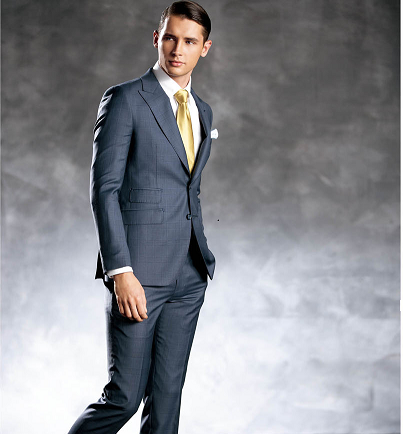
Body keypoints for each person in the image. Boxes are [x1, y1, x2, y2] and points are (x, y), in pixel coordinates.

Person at [67, 1, 216, 433]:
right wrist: (120, 271)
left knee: (167, 403)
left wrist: (200, 260)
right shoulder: (126, 99)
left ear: (204, 48)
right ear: (156, 38)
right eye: (170, 37)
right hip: (139, 272)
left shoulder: (203, 111)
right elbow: (104, 190)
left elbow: (186, 188)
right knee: (124, 397)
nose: (178, 49)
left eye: (189, 41)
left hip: (189, 273)